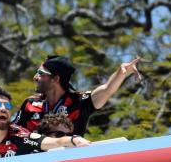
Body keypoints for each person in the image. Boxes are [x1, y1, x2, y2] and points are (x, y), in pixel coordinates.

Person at [12, 55, 141, 135]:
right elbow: (12, 132)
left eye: (40, 73)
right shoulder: (30, 103)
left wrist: (121, 72)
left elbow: (107, 89)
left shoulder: (79, 102)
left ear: (55, 79)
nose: (35, 77)